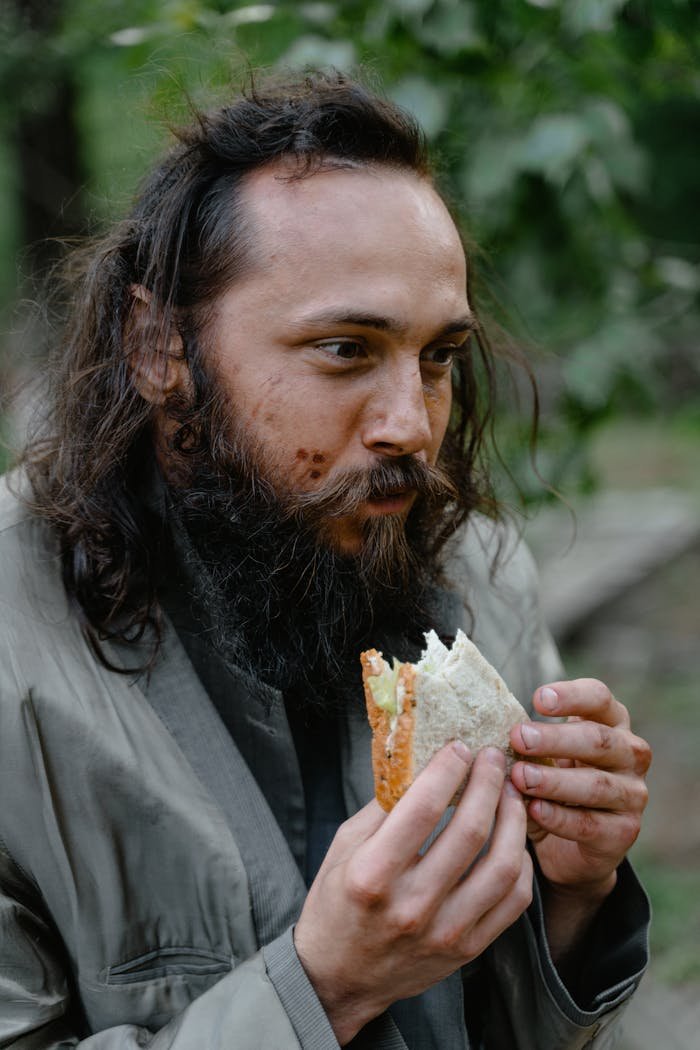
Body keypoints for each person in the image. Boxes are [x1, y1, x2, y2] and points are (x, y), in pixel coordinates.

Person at [0, 71, 651, 1049]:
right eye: (345, 349)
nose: (409, 427)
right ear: (155, 346)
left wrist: (575, 893)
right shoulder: (14, 649)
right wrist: (321, 990)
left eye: (436, 359)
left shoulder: (481, 578)